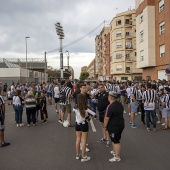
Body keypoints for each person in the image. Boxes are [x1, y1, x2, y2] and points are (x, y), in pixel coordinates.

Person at [104, 92, 124, 162]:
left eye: (108, 96)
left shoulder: (110, 106)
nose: (108, 97)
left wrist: (104, 126)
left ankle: (117, 156)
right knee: (113, 139)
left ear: (111, 98)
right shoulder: (119, 104)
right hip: (120, 124)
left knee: (116, 141)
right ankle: (114, 150)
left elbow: (106, 118)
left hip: (114, 126)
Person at [73, 93, 91, 162]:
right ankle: (83, 156)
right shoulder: (86, 107)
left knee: (78, 139)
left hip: (77, 124)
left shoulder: (75, 107)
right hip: (84, 125)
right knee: (83, 140)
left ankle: (77, 155)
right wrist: (89, 118)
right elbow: (91, 116)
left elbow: (75, 113)